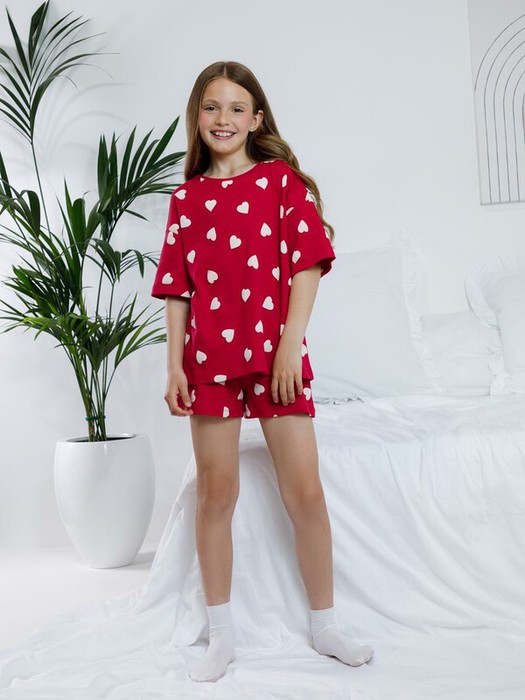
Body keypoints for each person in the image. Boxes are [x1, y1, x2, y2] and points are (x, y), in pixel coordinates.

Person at [151, 60, 374, 683]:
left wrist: (290, 344)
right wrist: (174, 366)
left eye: (235, 108)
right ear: (197, 117)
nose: (222, 118)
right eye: (211, 107)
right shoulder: (185, 200)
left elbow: (307, 264)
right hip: (208, 362)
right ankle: (221, 635)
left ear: (256, 119)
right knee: (215, 494)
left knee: (305, 492)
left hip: (276, 357)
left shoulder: (280, 183)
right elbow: (177, 291)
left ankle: (325, 624)